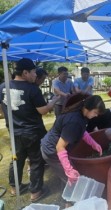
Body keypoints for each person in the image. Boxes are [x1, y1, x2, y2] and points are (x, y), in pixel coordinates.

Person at [0, 58, 59, 202]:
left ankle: (15, 187)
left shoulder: (2, 86)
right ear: (25, 72)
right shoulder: (32, 89)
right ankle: (36, 191)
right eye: (33, 72)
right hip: (33, 132)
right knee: (36, 161)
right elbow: (43, 110)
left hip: (14, 132)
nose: (35, 75)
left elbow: (1, 110)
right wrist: (53, 101)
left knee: (16, 159)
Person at [41, 94, 105, 188]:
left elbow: (81, 131)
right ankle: (68, 201)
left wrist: (93, 143)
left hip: (52, 146)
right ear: (87, 108)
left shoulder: (80, 113)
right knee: (72, 178)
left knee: (69, 175)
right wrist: (69, 170)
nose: (96, 115)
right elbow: (60, 147)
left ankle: (68, 194)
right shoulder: (74, 121)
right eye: (95, 112)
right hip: (52, 151)